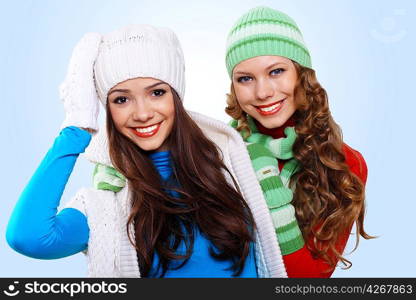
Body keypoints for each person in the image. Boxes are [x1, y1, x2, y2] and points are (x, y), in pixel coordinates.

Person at [6, 24, 291, 278]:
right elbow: (28, 237)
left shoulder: (236, 167)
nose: (142, 113)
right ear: (106, 110)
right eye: (121, 99)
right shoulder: (106, 206)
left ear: (176, 97)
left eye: (157, 93)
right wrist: (76, 128)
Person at [224, 6, 372, 277]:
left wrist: (271, 193)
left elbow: (308, 281)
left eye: (276, 71)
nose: (263, 92)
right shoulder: (218, 150)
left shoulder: (345, 165)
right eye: (245, 78)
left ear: (302, 74)